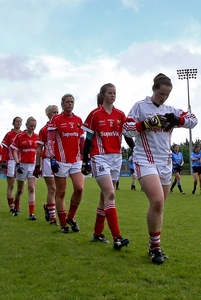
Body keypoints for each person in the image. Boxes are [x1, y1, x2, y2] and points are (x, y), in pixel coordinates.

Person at [123, 73, 197, 265]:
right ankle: (155, 248)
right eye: (161, 93)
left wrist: (178, 121)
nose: (163, 97)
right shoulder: (140, 106)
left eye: (167, 94)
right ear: (153, 89)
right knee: (156, 201)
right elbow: (127, 128)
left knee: (160, 205)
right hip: (145, 159)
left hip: (165, 161)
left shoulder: (170, 109)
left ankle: (153, 245)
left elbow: (193, 119)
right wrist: (145, 124)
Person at [82, 83, 132, 250]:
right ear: (103, 95)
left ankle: (97, 233)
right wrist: (84, 160)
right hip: (99, 157)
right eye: (110, 93)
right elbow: (88, 139)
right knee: (110, 193)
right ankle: (117, 236)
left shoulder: (120, 114)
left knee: (105, 197)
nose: (113, 95)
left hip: (116, 158)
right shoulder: (95, 114)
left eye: (114, 93)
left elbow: (126, 136)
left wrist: (135, 149)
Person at [49, 94, 86, 233]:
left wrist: (86, 156)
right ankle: (63, 223)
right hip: (60, 161)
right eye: (67, 102)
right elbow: (51, 140)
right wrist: (52, 157)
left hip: (76, 160)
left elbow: (82, 140)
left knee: (79, 188)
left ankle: (71, 217)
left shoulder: (78, 120)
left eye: (72, 102)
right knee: (61, 192)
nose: (70, 104)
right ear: (62, 104)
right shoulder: (56, 119)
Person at [11, 117, 39, 218]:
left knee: (31, 188)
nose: (33, 127)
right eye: (31, 125)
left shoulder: (37, 137)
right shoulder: (20, 136)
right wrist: (17, 163)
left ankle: (31, 213)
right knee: (20, 190)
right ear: (26, 125)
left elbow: (39, 150)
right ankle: (16, 206)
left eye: (34, 126)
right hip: (22, 165)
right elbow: (14, 150)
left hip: (33, 164)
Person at [37, 106, 59, 224]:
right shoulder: (44, 130)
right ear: (48, 114)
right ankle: (53, 218)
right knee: (52, 188)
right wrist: (37, 165)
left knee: (59, 190)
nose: (56, 114)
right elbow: (39, 149)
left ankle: (48, 207)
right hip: (48, 160)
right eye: (53, 112)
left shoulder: (61, 127)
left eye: (57, 112)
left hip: (61, 161)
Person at [2, 117, 22, 213]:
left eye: (20, 122)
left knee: (21, 186)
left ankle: (17, 203)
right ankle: (11, 206)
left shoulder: (23, 134)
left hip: (22, 161)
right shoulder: (9, 135)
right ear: (13, 123)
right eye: (17, 121)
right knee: (11, 185)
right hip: (11, 161)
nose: (18, 123)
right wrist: (4, 160)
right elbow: (5, 149)